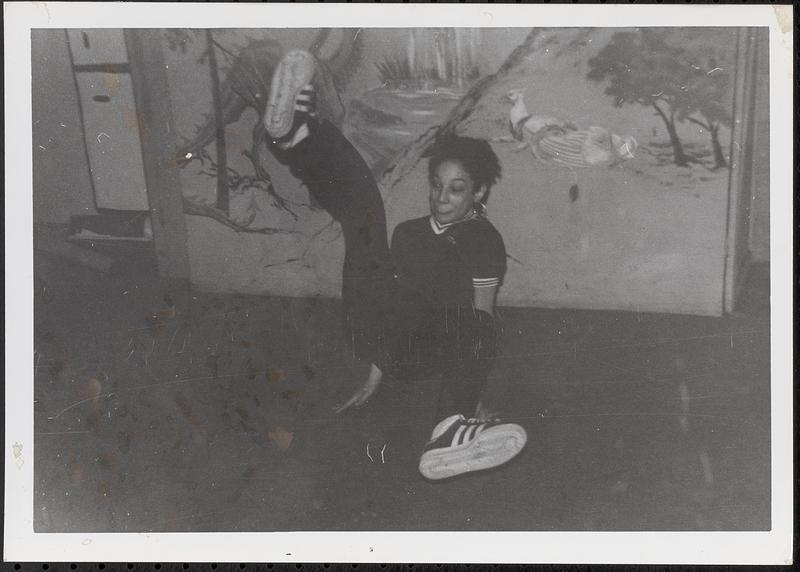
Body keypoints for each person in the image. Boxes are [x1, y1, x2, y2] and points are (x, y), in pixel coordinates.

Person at [265, 50, 527, 480]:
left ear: (478, 193)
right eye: (437, 186)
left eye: (456, 189)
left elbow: (482, 316)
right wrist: (374, 372)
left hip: (435, 347)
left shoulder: (486, 243)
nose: (442, 197)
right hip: (384, 336)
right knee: (364, 217)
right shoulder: (409, 232)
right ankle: (296, 136)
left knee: (478, 325)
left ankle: (451, 427)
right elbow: (395, 308)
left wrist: (471, 389)